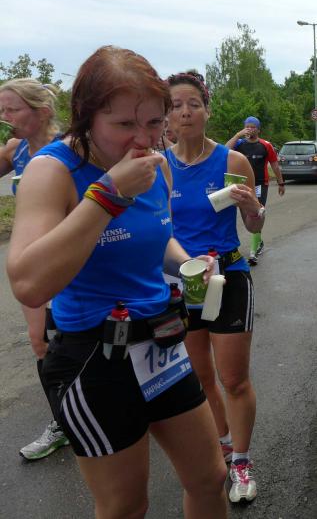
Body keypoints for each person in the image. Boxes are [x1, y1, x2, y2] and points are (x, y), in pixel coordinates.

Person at [6, 46, 227, 518]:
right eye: (124, 124)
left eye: (154, 122)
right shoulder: (52, 170)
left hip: (161, 343)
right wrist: (108, 194)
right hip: (94, 355)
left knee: (210, 479)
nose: (142, 139)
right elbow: (28, 283)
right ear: (86, 117)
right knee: (125, 506)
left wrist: (188, 264)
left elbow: (158, 240)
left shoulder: (157, 165)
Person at [166, 71, 262, 503]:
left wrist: (254, 208)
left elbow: (253, 225)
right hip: (182, 281)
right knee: (200, 376)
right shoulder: (159, 167)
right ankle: (223, 444)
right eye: (176, 105)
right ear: (166, 116)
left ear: (207, 110)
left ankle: (241, 461)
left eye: (194, 104)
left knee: (234, 379)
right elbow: (155, 231)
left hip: (228, 277)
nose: (185, 112)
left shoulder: (232, 162)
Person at [0, 78, 70, 460]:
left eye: (12, 109)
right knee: (40, 341)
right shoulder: (16, 149)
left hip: (73, 260)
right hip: (33, 263)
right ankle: (62, 423)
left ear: (41, 112)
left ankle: (107, 408)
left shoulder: (70, 148)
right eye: (1, 110)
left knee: (83, 338)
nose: (4, 117)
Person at [225, 116, 285, 266]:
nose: (250, 129)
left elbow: (275, 165)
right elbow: (224, 151)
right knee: (246, 216)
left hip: (260, 184)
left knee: (257, 213)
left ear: (258, 130)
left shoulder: (266, 145)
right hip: (241, 184)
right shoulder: (239, 143)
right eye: (247, 127)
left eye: (253, 127)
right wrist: (237, 135)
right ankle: (258, 241)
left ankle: (253, 251)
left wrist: (281, 183)